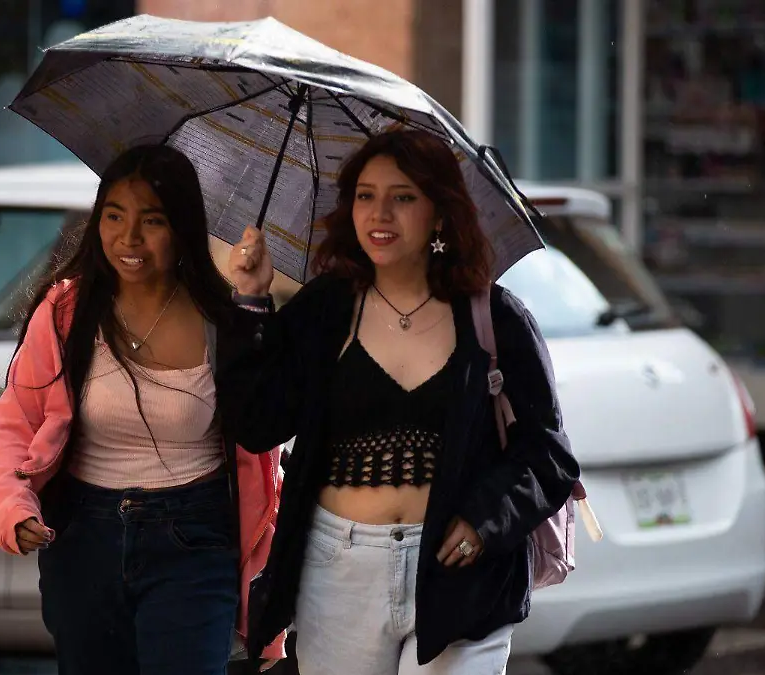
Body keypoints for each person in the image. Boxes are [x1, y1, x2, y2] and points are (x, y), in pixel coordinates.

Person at [219, 129, 581, 674]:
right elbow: (257, 423)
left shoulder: (496, 318)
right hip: (338, 572)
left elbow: (548, 455)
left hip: (460, 577)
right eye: (365, 195)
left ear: (439, 214)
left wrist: (485, 521)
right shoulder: (325, 309)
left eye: (403, 197)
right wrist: (249, 302)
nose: (379, 213)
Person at [0, 144, 286, 675]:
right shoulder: (66, 312)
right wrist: (13, 508)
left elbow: (266, 424)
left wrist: (253, 303)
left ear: (182, 227)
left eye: (153, 221)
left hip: (194, 541)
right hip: (83, 538)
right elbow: (16, 425)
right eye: (115, 216)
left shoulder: (222, 318)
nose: (129, 238)